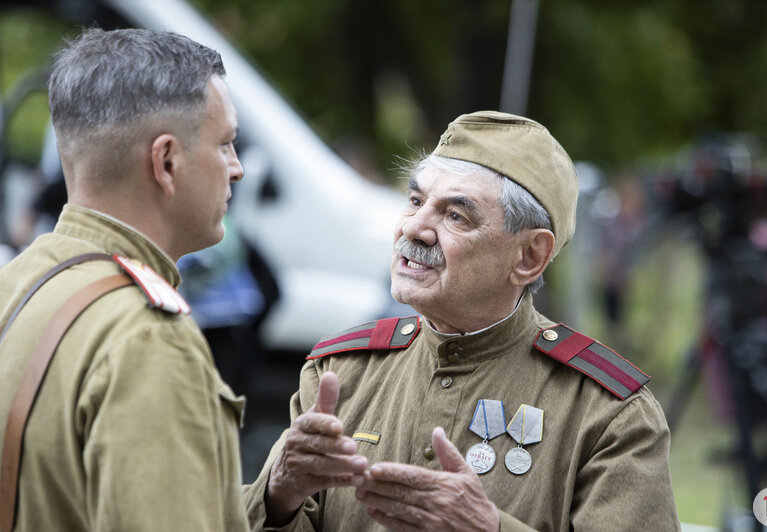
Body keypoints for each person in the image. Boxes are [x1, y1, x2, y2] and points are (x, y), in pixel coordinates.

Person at [244, 111, 680, 531]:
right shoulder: (341, 372)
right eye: (415, 200)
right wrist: (278, 496)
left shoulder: (607, 415)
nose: (414, 228)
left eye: (455, 215)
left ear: (529, 257)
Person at [0, 28, 255, 530]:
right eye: (225, 143)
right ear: (166, 162)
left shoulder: (17, 281)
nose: (237, 168)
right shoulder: (146, 338)